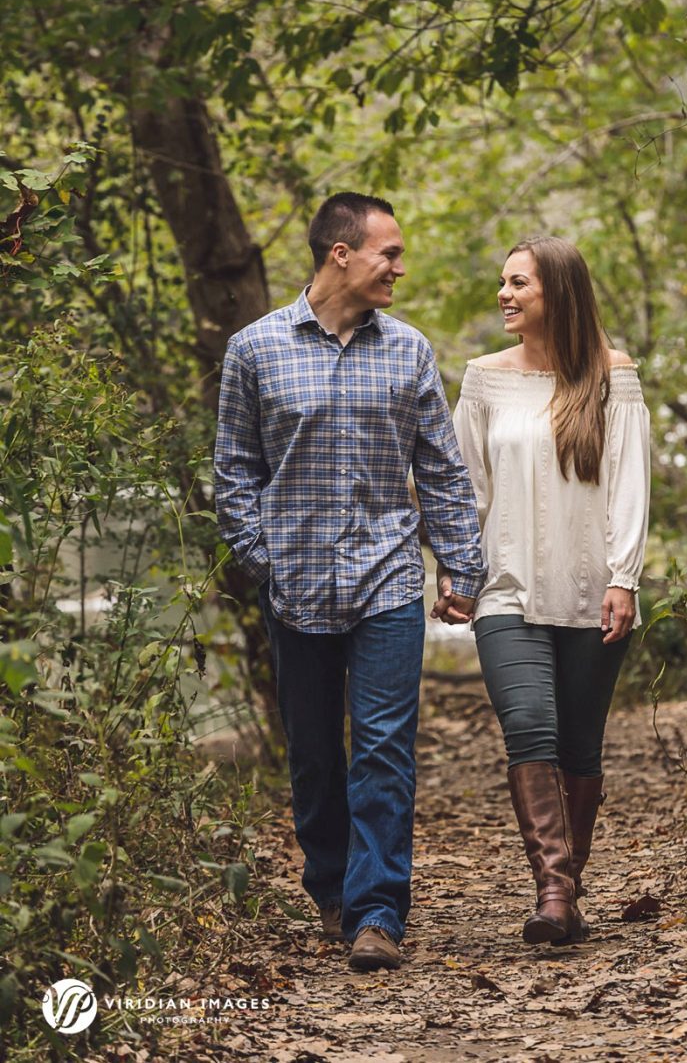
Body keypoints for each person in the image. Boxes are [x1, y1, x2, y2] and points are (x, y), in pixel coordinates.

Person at [215, 192, 485, 972]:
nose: (400, 267)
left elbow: (439, 469)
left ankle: (376, 912)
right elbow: (235, 473)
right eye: (388, 254)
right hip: (293, 587)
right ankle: (331, 885)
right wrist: (264, 560)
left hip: (387, 585)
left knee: (383, 750)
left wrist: (459, 567)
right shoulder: (254, 350)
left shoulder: (407, 351)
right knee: (312, 758)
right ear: (342, 254)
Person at [449, 236, 650, 945]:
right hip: (504, 587)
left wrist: (624, 576)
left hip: (593, 588)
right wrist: (454, 572)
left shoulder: (611, 377)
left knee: (580, 748)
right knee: (530, 727)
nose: (504, 295)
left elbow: (629, 484)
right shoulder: (482, 379)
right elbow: (464, 489)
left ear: (556, 293)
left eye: (518, 284)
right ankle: (554, 895)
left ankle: (567, 889)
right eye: (502, 282)